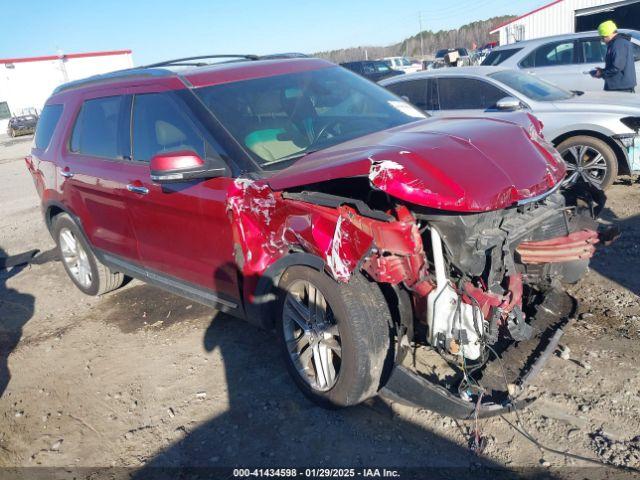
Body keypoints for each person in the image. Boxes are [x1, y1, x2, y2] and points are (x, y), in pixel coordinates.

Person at [592, 20, 637, 93]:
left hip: (620, 88)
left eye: (603, 38)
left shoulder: (618, 44)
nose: (603, 41)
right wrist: (603, 71)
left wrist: (602, 73)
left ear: (608, 34)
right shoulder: (619, 43)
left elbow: (617, 67)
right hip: (620, 86)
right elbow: (617, 65)